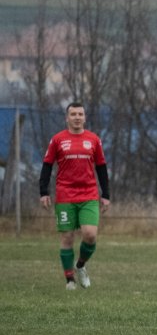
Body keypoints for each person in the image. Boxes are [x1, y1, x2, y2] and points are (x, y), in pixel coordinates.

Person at [39, 102, 110, 290]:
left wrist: (106, 194)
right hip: (65, 195)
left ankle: (80, 266)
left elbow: (101, 167)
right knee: (67, 238)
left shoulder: (93, 140)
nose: (77, 117)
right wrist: (43, 192)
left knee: (90, 235)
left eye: (80, 114)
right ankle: (70, 280)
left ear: (85, 118)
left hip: (89, 194)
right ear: (67, 118)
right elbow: (47, 165)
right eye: (73, 114)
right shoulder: (57, 140)